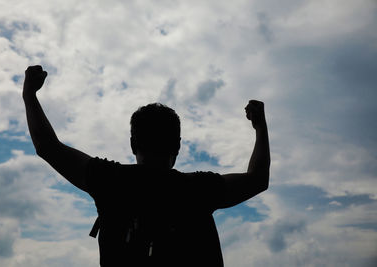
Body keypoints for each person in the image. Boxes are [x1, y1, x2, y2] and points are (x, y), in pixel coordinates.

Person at [23, 65, 270, 267]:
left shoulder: (110, 181)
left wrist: (30, 95)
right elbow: (258, 179)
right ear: (178, 146)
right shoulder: (199, 189)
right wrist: (260, 127)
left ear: (133, 144)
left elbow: (47, 146)